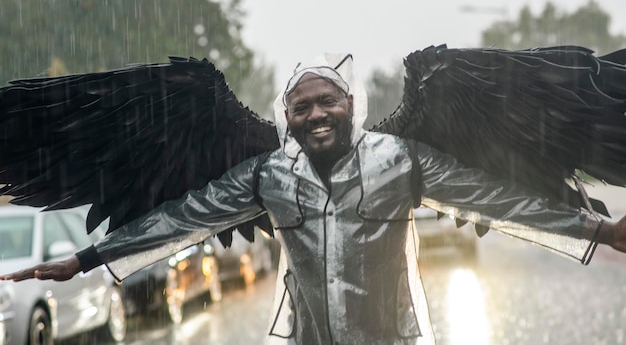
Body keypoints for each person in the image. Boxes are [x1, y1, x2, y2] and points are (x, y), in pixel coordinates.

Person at [2, 53, 626, 344]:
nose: (317, 113)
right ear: (288, 118)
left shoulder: (403, 159)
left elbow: (493, 199)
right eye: (302, 106)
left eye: (328, 100)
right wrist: (84, 261)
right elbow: (180, 220)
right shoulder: (263, 175)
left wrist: (600, 231)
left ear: (350, 105)